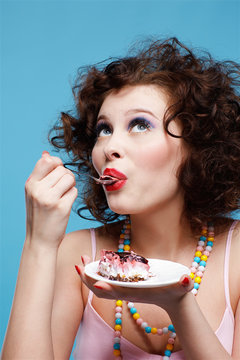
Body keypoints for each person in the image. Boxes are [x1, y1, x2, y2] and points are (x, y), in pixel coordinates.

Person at [2, 37, 240, 360]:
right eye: (104, 129)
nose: (109, 147)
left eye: (139, 125)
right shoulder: (79, 254)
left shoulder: (236, 255)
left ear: (196, 146)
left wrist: (180, 306)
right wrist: (38, 244)